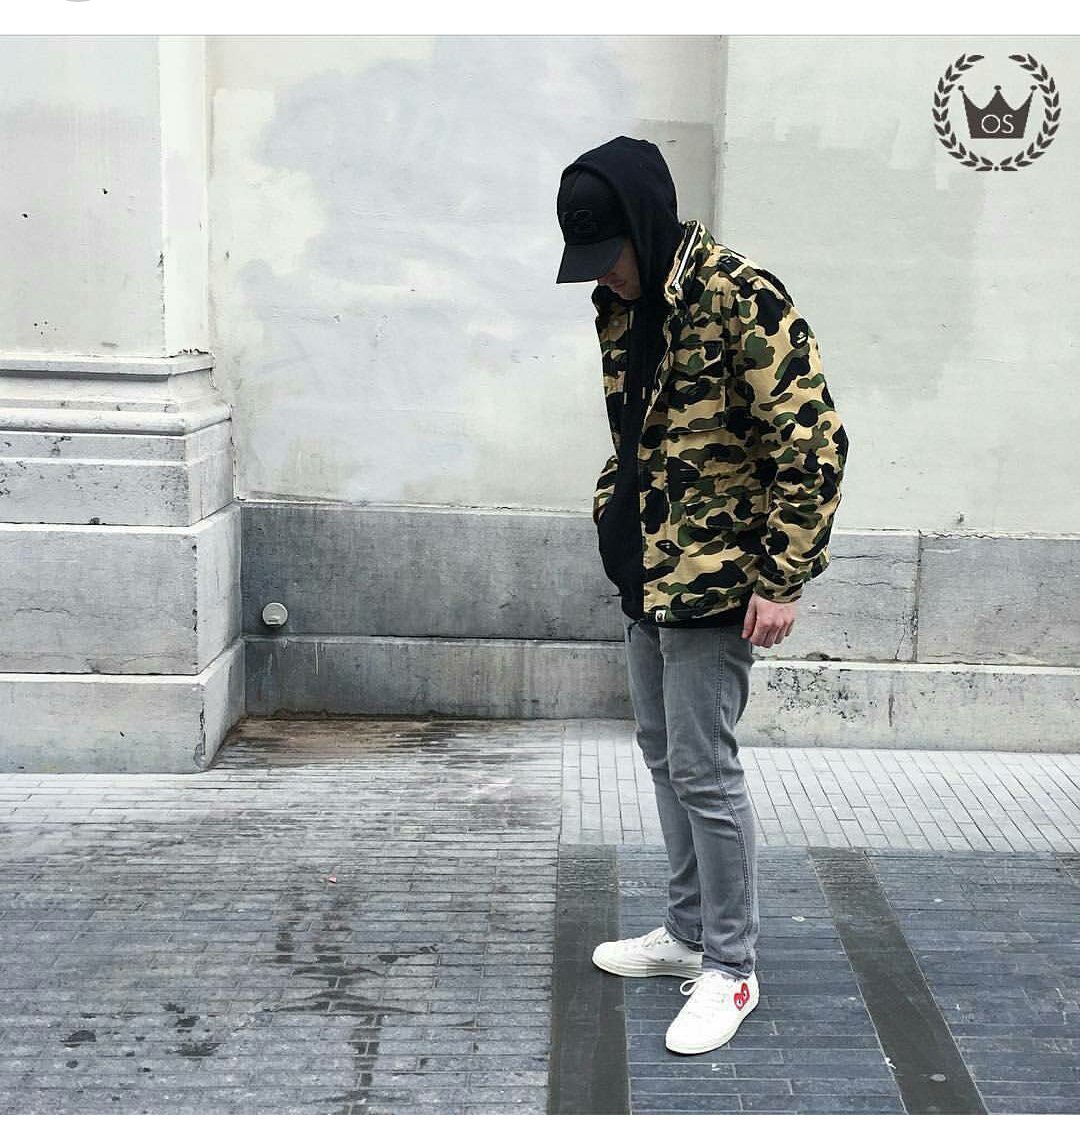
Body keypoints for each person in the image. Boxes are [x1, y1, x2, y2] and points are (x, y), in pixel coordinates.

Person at [555, 136, 848, 1054]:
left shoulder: (738, 296)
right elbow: (634, 436)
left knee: (706, 771)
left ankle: (732, 965)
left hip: (718, 583)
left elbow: (815, 444)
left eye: (611, 254)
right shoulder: (624, 307)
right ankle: (687, 932)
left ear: (646, 224)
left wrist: (782, 578)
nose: (605, 275)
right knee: (663, 757)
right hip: (648, 574)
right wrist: (613, 515)